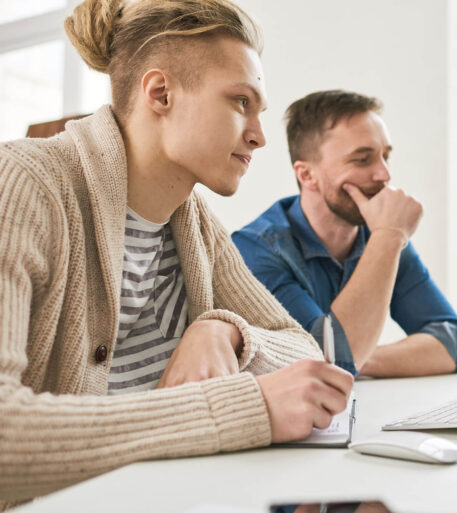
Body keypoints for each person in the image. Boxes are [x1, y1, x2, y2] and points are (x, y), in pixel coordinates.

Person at [0, 0, 353, 507]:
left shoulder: (193, 221)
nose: (258, 134)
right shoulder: (23, 185)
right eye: (239, 102)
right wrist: (234, 410)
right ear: (160, 93)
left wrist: (225, 331)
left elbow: (302, 350)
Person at [233, 90, 457, 377]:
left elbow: (453, 345)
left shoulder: (380, 235)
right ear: (307, 175)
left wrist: (363, 359)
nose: (384, 174)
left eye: (385, 156)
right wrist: (389, 236)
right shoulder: (255, 250)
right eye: (362, 160)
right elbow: (330, 362)